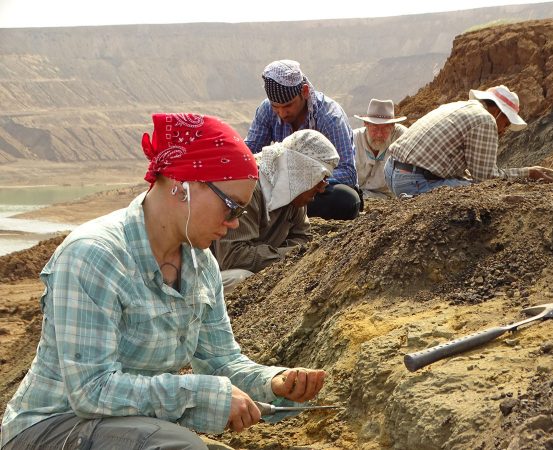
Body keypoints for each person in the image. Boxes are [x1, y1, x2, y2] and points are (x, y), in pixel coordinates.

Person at [0, 113, 326, 450]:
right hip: (51, 427)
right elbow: (91, 390)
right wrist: (206, 394)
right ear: (182, 185)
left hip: (128, 428)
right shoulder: (93, 256)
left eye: (241, 213)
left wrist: (273, 383)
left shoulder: (202, 266)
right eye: (231, 207)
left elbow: (222, 361)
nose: (233, 224)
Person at [213, 129, 339, 292]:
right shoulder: (249, 189)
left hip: (249, 266)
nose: (322, 189)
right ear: (301, 173)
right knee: (242, 280)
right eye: (320, 179)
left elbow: (304, 238)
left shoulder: (294, 194)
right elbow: (234, 256)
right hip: (209, 275)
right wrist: (288, 255)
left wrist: (272, 255)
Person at [385, 85, 553, 197]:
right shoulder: (486, 120)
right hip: (414, 182)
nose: (504, 130)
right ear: (498, 111)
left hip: (391, 171)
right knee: (485, 192)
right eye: (506, 123)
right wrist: (528, 173)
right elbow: (486, 177)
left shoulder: (459, 106)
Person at [245, 59, 360, 220]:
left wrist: (305, 181)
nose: (282, 113)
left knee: (346, 200)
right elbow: (250, 152)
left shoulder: (330, 117)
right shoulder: (266, 110)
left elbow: (348, 173)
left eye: (288, 106)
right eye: (275, 107)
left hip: (318, 190)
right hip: (279, 187)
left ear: (304, 91)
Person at [353, 98, 408, 198]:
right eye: (375, 127)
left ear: (392, 127)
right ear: (366, 124)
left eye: (385, 128)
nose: (379, 134)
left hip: (388, 198)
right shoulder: (353, 140)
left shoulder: (403, 138)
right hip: (356, 196)